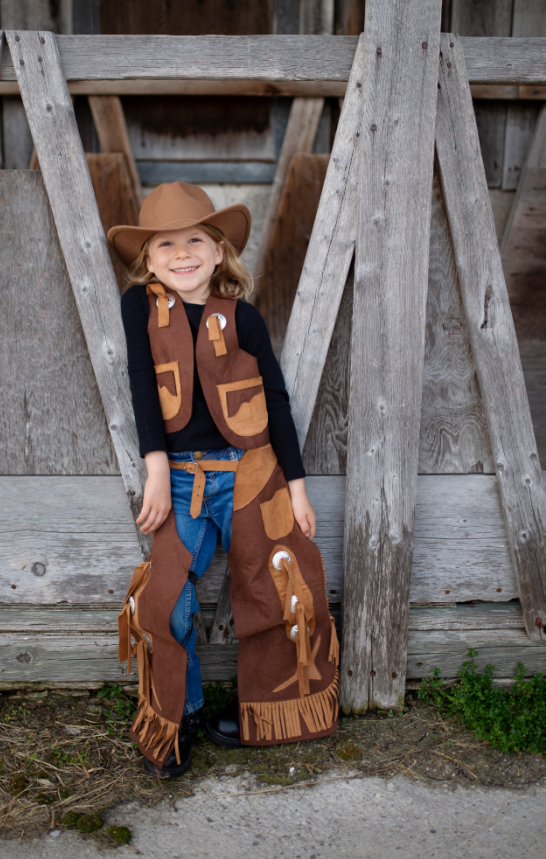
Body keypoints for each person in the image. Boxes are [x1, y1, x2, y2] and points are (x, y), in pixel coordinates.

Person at [109, 181, 340, 779]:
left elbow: (278, 402)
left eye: (195, 241)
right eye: (165, 245)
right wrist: (156, 469)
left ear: (218, 253)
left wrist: (296, 486)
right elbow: (141, 384)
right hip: (182, 481)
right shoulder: (140, 308)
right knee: (167, 599)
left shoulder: (244, 318)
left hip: (250, 473)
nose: (181, 254)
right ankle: (177, 716)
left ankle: (270, 711)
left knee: (273, 587)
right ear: (148, 259)